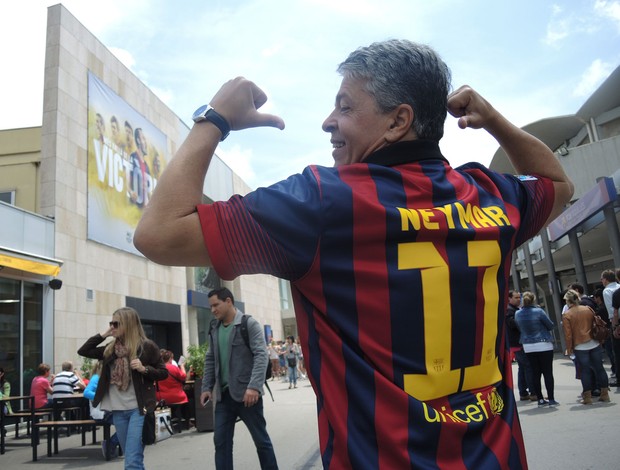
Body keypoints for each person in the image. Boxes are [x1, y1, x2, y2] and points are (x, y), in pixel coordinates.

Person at [134, 39, 573, 468]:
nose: (328, 121)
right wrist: (493, 119)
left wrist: (214, 119)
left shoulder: (320, 203)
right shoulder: (492, 196)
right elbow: (558, 185)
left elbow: (157, 234)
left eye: (345, 106)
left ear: (398, 121)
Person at [77, 307, 168, 470]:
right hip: (117, 410)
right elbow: (84, 351)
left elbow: (163, 373)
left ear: (129, 324)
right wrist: (103, 335)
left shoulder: (146, 347)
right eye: (111, 323)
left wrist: (144, 369)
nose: (112, 327)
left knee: (132, 461)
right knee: (133, 457)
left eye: (116, 323)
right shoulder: (110, 349)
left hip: (138, 410)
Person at [200, 287, 278, 470]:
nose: (213, 310)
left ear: (228, 301)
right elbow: (211, 358)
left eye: (216, 305)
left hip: (247, 396)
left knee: (261, 442)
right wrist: (206, 387)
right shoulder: (214, 327)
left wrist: (254, 387)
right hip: (223, 397)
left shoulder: (248, 324)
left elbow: (261, 356)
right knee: (221, 443)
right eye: (210, 307)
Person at [562, 289, 610, 404]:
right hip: (593, 342)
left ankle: (587, 397)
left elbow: (568, 335)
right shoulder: (588, 309)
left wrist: (569, 349)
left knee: (585, 371)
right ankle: (605, 394)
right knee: (599, 368)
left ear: (568, 301)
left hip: (579, 345)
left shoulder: (567, 314)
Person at [514, 292, 558, 407]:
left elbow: (519, 328)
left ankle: (540, 399)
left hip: (528, 346)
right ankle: (551, 399)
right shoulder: (539, 311)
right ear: (533, 300)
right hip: (543, 344)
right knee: (547, 372)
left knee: (535, 373)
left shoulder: (517, 314)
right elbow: (550, 325)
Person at [83, 362, 121, 459]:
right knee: (125, 425)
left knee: (126, 424)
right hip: (102, 412)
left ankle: (111, 444)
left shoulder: (104, 378)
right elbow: (86, 392)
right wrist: (102, 397)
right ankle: (110, 444)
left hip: (107, 411)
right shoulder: (96, 378)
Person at [505, 291, 535, 401]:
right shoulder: (509, 310)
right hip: (518, 343)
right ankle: (533, 392)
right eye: (516, 297)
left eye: (519, 297)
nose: (519, 299)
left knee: (522, 367)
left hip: (518, 342)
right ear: (509, 298)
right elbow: (513, 324)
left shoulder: (515, 309)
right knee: (528, 366)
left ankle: (523, 392)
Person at [156, 349, 189, 431]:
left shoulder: (158, 369)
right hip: (177, 396)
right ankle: (186, 423)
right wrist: (182, 366)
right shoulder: (173, 368)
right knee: (189, 399)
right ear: (170, 358)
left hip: (162, 398)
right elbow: (183, 376)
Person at [127, 127, 151, 207]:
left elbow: (148, 193)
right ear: (138, 140)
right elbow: (126, 182)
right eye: (143, 138)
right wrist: (131, 192)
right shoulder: (133, 158)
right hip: (134, 210)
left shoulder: (147, 168)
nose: (146, 142)